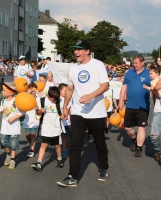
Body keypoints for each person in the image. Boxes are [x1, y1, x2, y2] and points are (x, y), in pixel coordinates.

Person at [57, 40, 109, 187]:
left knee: (99, 142)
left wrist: (91, 95)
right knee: (76, 144)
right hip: (78, 111)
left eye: (79, 49)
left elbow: (105, 85)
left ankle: (104, 167)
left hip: (96, 112)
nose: (76, 52)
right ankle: (72, 176)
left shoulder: (97, 65)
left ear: (87, 51)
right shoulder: (73, 68)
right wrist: (65, 106)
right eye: (75, 49)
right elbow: (69, 89)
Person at [118, 55, 151, 157]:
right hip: (130, 105)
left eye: (136, 63)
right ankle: (133, 139)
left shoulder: (148, 74)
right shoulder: (129, 73)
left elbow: (154, 86)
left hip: (143, 105)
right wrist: (120, 100)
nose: (134, 65)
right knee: (127, 128)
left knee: (141, 127)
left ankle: (139, 147)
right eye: (134, 63)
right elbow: (124, 87)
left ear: (142, 63)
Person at [31, 87, 64, 171]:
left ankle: (60, 159)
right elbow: (37, 112)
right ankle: (39, 163)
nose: (55, 101)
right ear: (48, 96)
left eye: (56, 99)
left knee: (57, 146)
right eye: (53, 99)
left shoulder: (60, 101)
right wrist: (40, 111)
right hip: (46, 128)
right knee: (43, 145)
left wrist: (64, 115)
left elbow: (66, 110)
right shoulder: (42, 100)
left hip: (56, 128)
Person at [0, 82, 24, 170]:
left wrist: (13, 118)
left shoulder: (16, 101)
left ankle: (13, 159)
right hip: (4, 126)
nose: (2, 92)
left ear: (11, 92)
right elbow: (1, 110)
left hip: (14, 126)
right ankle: (8, 154)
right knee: (3, 142)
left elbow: (22, 112)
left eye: (4, 90)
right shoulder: (3, 101)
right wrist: (3, 111)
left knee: (13, 143)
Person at [23, 83, 40, 158]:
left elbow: (40, 106)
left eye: (34, 91)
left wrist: (36, 106)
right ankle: (32, 144)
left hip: (35, 119)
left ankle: (31, 150)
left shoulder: (38, 98)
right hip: (27, 119)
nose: (33, 92)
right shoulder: (25, 97)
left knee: (33, 135)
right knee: (27, 135)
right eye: (31, 91)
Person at [58, 83, 71, 159]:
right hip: (57, 122)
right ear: (60, 90)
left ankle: (64, 149)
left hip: (66, 122)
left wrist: (65, 114)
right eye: (64, 91)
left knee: (64, 136)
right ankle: (58, 148)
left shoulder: (68, 100)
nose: (66, 93)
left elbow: (68, 109)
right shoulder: (56, 100)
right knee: (58, 136)